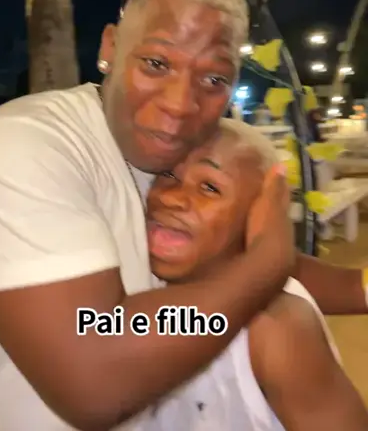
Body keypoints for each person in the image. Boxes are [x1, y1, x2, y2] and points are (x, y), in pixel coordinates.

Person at [0, 0, 366, 430]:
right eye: (156, 63)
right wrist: (267, 265)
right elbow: (95, 375)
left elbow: (227, 252)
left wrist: (351, 285)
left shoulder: (181, 149)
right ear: (110, 47)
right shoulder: (27, 146)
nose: (179, 104)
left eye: (214, 79)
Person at [145, 120, 368, 431]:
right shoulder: (137, 284)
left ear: (260, 217)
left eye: (209, 187)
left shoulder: (275, 332)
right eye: (167, 174)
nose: (171, 197)